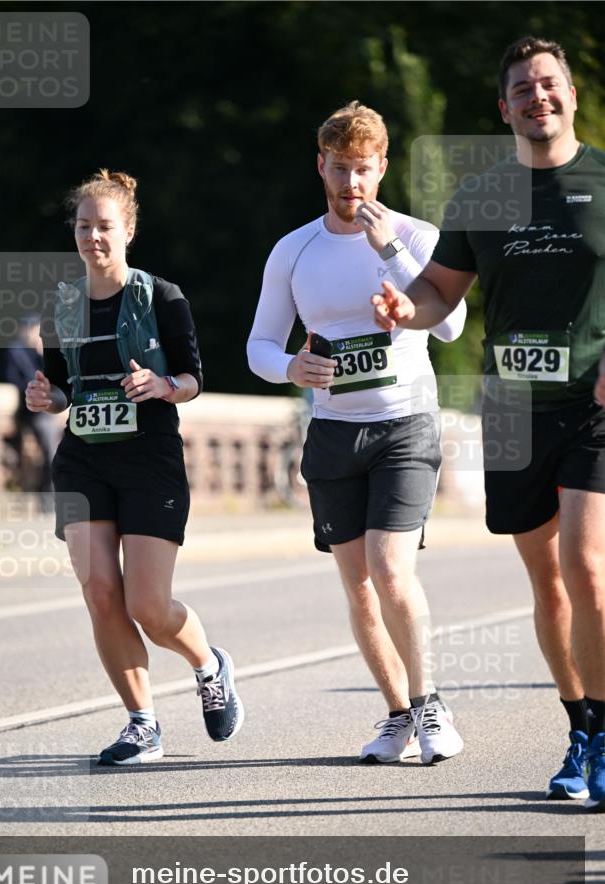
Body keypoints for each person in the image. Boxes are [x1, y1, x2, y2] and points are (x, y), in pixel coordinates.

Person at [372, 37, 605, 810]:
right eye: (521, 88)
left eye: (548, 84)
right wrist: (410, 309)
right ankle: (579, 729)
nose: (536, 97)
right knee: (549, 585)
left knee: (587, 568)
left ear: (569, 94)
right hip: (509, 411)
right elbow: (440, 291)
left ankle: (603, 736)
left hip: (591, 407)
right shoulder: (480, 196)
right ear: (503, 108)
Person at [247, 102, 467, 766]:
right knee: (358, 586)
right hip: (333, 435)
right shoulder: (293, 250)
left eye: (363, 171)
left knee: (388, 568)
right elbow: (258, 343)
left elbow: (450, 327)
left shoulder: (415, 236)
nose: (351, 186)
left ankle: (430, 708)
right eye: (339, 170)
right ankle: (396, 715)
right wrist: (291, 365)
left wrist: (392, 260)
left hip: (404, 425)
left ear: (382, 168)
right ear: (321, 165)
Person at [26, 169, 244, 765]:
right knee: (100, 593)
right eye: (83, 226)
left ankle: (208, 663)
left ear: (128, 231)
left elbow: (195, 379)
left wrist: (162, 383)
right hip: (83, 464)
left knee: (148, 605)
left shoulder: (162, 297)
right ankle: (141, 724)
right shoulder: (62, 307)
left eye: (104, 226)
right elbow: (65, 388)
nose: (93, 237)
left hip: (149, 459)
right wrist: (50, 398)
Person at [4, 314, 60, 498]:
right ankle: (48, 494)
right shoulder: (16, 350)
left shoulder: (42, 351)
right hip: (31, 411)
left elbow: (57, 378)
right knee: (49, 447)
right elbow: (14, 379)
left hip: (50, 409)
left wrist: (43, 352)